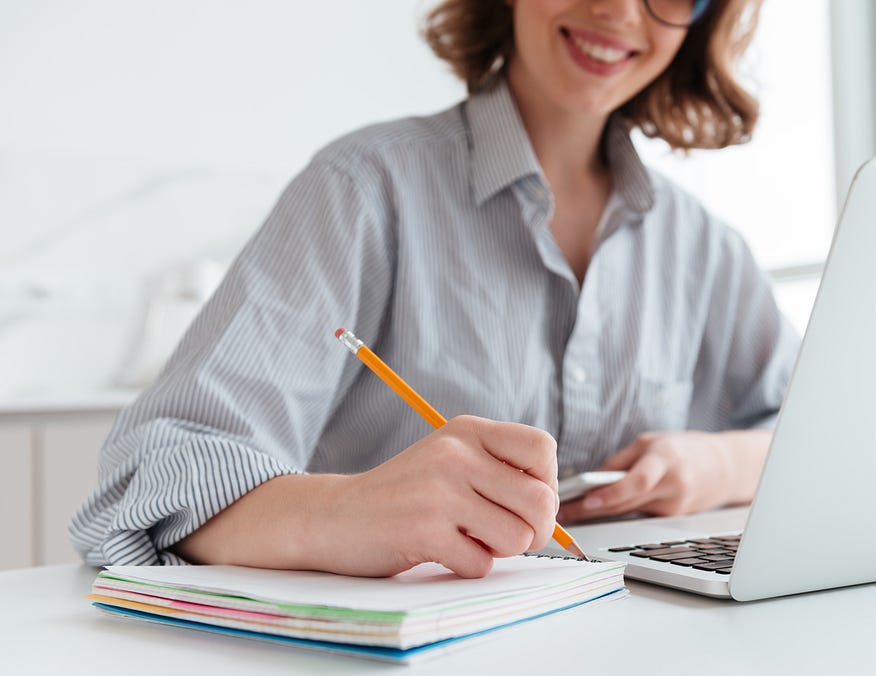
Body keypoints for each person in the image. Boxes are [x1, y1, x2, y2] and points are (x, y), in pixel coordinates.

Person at [70, 0, 798, 579]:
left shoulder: (707, 248)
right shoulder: (363, 187)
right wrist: (351, 510)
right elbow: (150, 474)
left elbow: (817, 434)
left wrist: (715, 464)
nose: (618, 10)